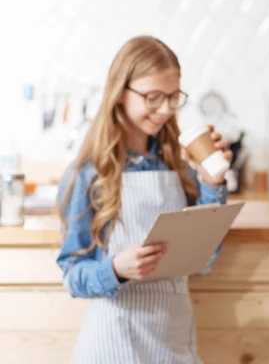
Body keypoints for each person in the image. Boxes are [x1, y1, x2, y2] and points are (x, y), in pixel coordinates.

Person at [56, 35, 232, 364]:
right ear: (121, 92)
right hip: (112, 343)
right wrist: (115, 270)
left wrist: (213, 183)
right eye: (153, 97)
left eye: (173, 97)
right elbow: (72, 276)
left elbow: (204, 261)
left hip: (174, 339)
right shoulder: (87, 173)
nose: (165, 109)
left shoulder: (180, 167)